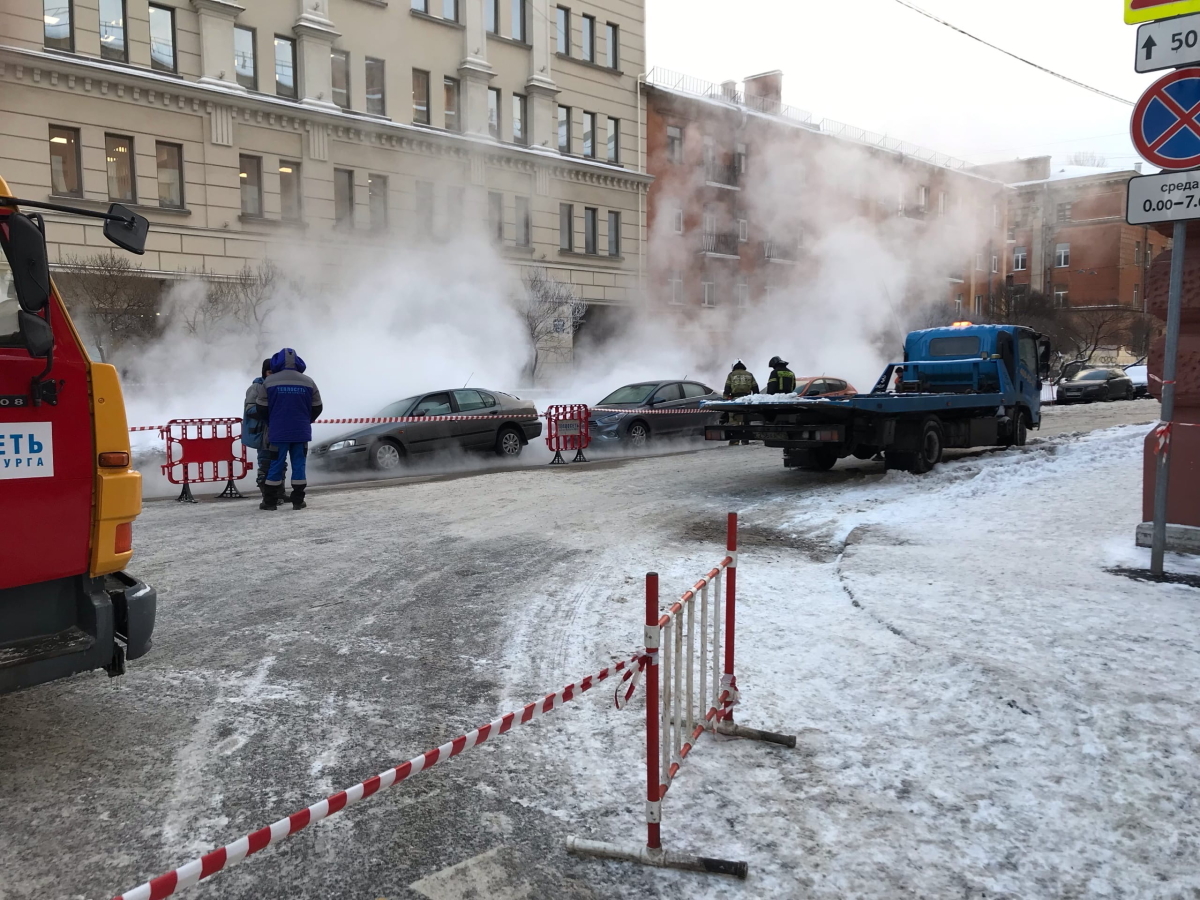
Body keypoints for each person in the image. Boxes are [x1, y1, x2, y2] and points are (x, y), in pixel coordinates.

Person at [254, 348, 322, 511]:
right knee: (299, 464)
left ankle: (270, 502)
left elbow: (261, 407)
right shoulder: (308, 381)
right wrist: (307, 421)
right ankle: (298, 500)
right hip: (301, 432)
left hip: (278, 433)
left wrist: (271, 422)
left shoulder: (269, 382)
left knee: (276, 464)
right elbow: (317, 406)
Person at [243, 359, 286, 498]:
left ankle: (280, 493)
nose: (271, 375)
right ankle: (268, 495)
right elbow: (250, 409)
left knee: (280, 462)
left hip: (278, 429)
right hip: (263, 432)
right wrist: (267, 408)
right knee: (266, 462)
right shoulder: (256, 387)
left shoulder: (279, 385)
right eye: (269, 372)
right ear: (264, 372)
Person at [722, 360, 759, 446]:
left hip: (735, 401)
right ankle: (745, 440)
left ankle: (735, 440)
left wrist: (725, 399)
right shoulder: (749, 374)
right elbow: (755, 389)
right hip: (747, 400)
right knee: (746, 418)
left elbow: (727, 389)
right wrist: (755, 399)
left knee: (734, 420)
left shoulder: (731, 375)